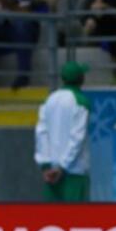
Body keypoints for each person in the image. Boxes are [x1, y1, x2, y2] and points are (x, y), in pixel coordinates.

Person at [35, 61, 91, 201]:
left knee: (52, 219)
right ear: (81, 79)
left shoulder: (49, 99)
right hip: (74, 171)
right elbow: (77, 137)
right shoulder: (80, 101)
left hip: (51, 172)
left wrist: (46, 165)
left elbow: (41, 133)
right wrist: (63, 167)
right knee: (77, 220)